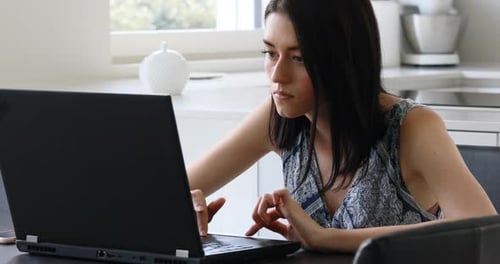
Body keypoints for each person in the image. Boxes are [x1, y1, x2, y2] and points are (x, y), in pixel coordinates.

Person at [188, 0, 497, 253]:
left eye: (299, 58)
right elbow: (174, 189)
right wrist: (185, 210)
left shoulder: (412, 127)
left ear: (342, 59)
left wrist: (324, 237)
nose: (277, 75)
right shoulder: (279, 116)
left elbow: (484, 226)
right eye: (270, 53)